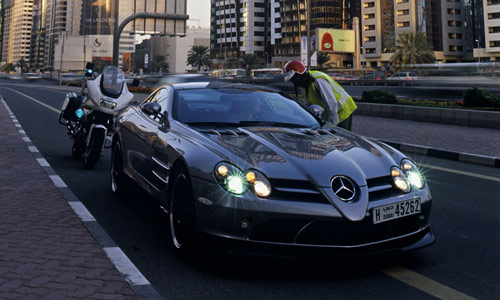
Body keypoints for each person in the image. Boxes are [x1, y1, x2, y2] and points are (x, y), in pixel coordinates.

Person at [283, 60, 357, 130]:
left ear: (299, 75)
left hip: (342, 110)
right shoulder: (305, 85)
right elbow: (309, 104)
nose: (293, 82)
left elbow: (331, 103)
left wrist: (331, 126)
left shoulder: (318, 80)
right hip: (333, 113)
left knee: (342, 140)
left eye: (294, 79)